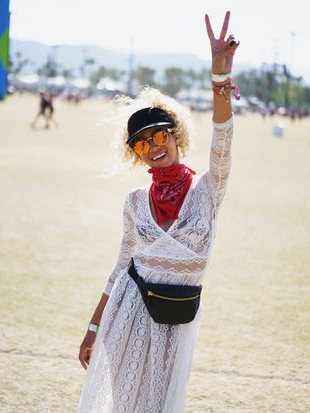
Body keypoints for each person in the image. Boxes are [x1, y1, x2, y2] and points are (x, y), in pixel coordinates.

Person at [77, 11, 240, 413]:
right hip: (129, 311)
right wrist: (94, 325)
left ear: (176, 134)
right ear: (136, 154)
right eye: (142, 143)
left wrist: (219, 78)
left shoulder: (207, 190)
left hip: (176, 320)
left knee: (162, 405)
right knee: (126, 404)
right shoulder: (135, 202)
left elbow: (224, 136)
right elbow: (120, 267)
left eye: (160, 134)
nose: (154, 146)